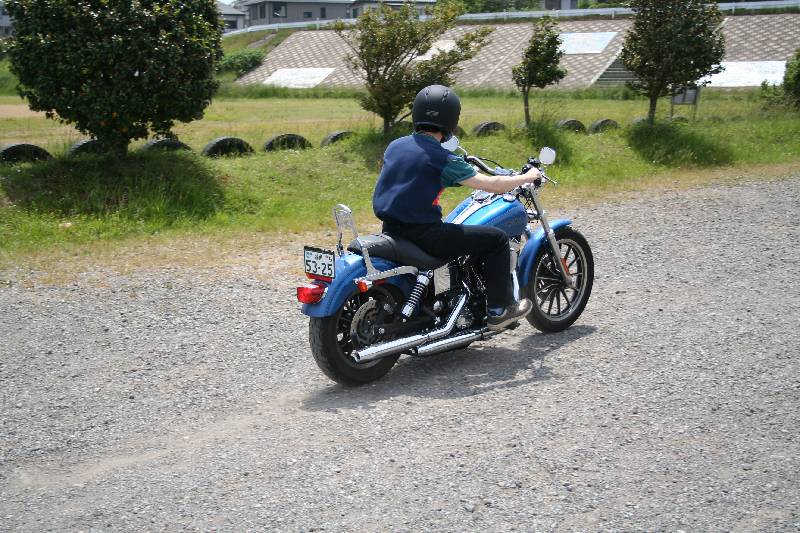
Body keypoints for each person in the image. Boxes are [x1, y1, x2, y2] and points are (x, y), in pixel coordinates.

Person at [372, 84, 543, 331]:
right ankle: (500, 310)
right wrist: (527, 177)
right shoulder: (443, 159)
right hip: (425, 235)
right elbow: (493, 185)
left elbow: (413, 173)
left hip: (390, 228)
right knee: (496, 240)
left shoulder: (395, 146)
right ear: (451, 118)